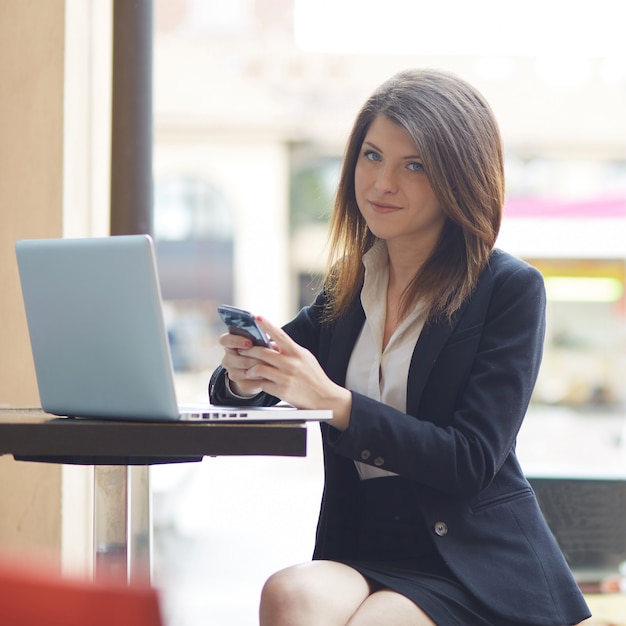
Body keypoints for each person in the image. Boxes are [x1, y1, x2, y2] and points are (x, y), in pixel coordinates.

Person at [209, 69, 591, 625]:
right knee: (289, 595)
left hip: (472, 558)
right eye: (371, 156)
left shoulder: (508, 289)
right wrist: (246, 374)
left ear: (459, 178)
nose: (382, 183)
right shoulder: (349, 286)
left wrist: (337, 404)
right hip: (365, 543)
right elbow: (248, 388)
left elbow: (470, 460)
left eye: (414, 166)